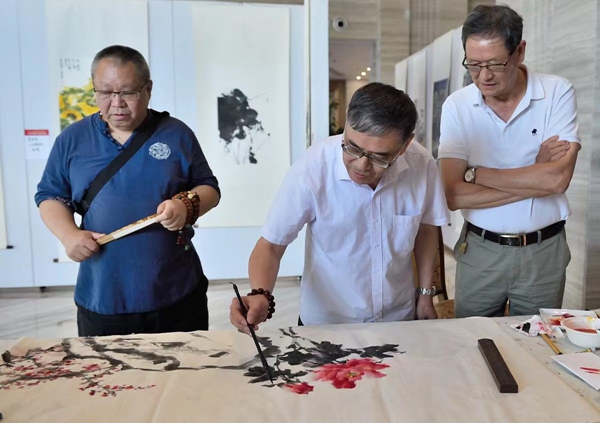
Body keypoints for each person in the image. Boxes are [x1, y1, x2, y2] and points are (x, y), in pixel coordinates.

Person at [230, 82, 449, 332]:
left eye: (379, 157)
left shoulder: (422, 165)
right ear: (346, 125)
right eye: (352, 148)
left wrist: (424, 294)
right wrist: (260, 294)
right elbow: (271, 245)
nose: (361, 165)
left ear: (405, 144)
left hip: (398, 316)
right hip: (328, 323)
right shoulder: (313, 168)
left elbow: (426, 231)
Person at [35, 45, 220, 336]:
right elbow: (50, 196)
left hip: (176, 291)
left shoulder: (176, 133)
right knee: (106, 367)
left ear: (148, 89)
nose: (117, 103)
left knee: (187, 365)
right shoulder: (72, 139)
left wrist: (186, 206)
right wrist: (68, 235)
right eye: (105, 92)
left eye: (128, 92)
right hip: (103, 294)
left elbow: (209, 188)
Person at [438, 5, 580, 318]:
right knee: (471, 338)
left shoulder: (557, 92)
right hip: (480, 250)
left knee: (537, 340)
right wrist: (535, 176)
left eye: (494, 64)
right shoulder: (457, 106)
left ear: (519, 51)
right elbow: (453, 195)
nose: (483, 76)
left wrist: (475, 174)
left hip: (544, 251)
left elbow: (557, 180)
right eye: (473, 64)